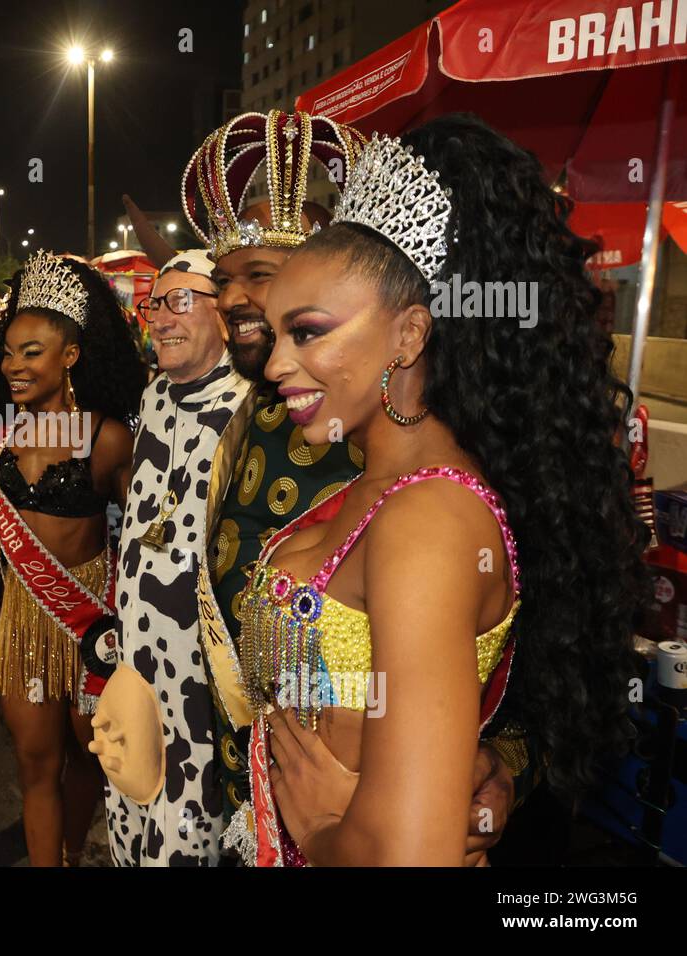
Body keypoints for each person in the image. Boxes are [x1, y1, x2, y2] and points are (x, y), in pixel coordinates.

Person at [226, 115, 647, 865]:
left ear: (410, 336)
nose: (276, 363)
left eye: (309, 331)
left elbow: (410, 856)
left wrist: (322, 833)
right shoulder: (378, 483)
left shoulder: (428, 517)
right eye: (276, 333)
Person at [88, 250, 252, 866]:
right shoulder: (153, 396)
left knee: (187, 834)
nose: (161, 318)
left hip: (202, 680)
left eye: (181, 301)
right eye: (156, 303)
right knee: (130, 804)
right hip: (139, 658)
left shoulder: (252, 405)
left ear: (223, 313)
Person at [0, 252, 143, 866]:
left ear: (70, 355)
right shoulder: (0, 435)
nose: (13, 366)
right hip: (22, 617)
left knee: (94, 758)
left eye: (32, 353)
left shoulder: (106, 437)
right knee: (35, 764)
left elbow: (140, 538)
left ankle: (73, 851)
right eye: (9, 351)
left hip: (90, 620)